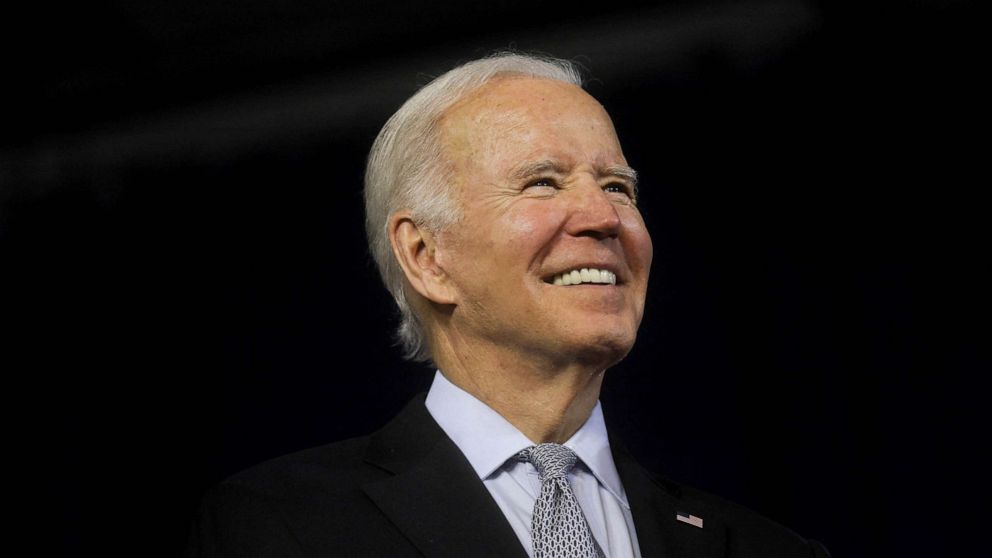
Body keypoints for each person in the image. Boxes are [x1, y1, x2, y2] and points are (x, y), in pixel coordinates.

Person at [189, 53, 829, 557]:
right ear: (426, 256)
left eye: (617, 186)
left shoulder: (765, 548)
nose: (605, 217)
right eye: (542, 184)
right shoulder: (283, 525)